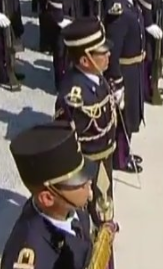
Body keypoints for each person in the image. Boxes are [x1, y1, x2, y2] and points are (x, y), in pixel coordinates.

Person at [1, 121, 117, 269]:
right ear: (48, 198)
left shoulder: (70, 209)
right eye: (79, 183)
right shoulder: (31, 256)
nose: (89, 182)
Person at [54, 19, 124, 228]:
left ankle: (105, 229)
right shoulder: (73, 95)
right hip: (86, 166)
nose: (108, 55)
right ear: (86, 60)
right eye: (102, 53)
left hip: (104, 158)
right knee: (87, 214)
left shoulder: (98, 78)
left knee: (104, 204)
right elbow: (63, 139)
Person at [103, 0, 146, 175]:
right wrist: (116, 80)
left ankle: (125, 152)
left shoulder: (127, 3)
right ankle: (121, 158)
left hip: (134, 67)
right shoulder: (117, 10)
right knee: (123, 118)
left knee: (132, 113)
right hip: (125, 70)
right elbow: (113, 48)